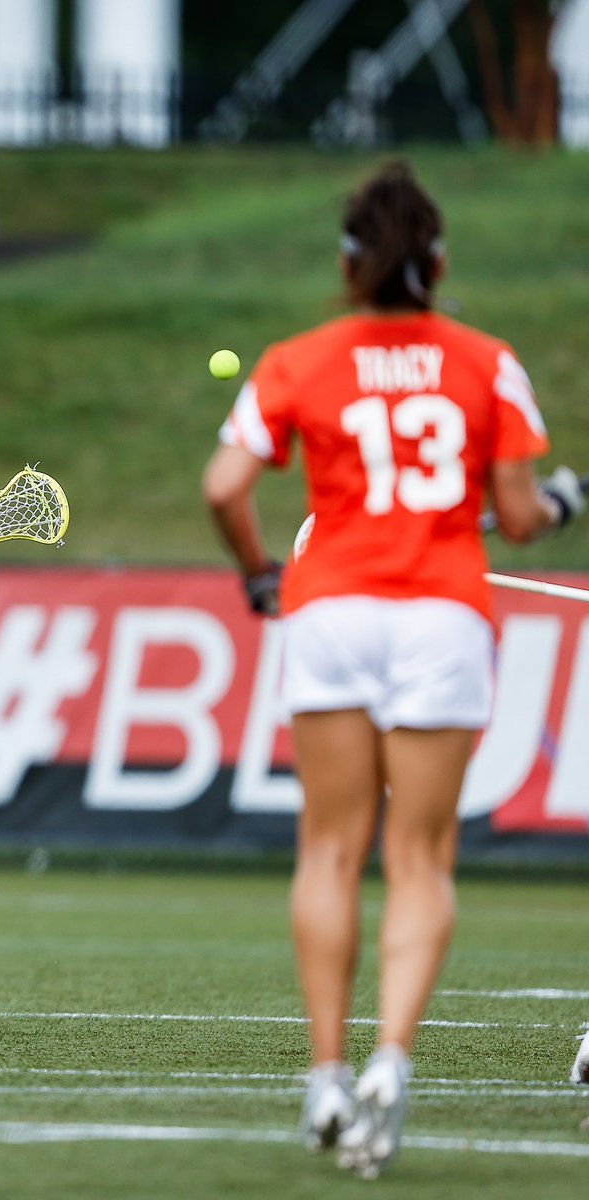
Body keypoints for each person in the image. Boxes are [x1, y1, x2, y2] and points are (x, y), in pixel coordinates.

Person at [201, 161, 584, 1178]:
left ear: (349, 263)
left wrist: (256, 574)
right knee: (421, 860)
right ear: (438, 259)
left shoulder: (299, 358)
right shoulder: (487, 361)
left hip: (332, 616)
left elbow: (224, 484)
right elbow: (518, 516)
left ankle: (326, 1075)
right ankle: (392, 1060)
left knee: (331, 849)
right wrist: (563, 501)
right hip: (441, 619)